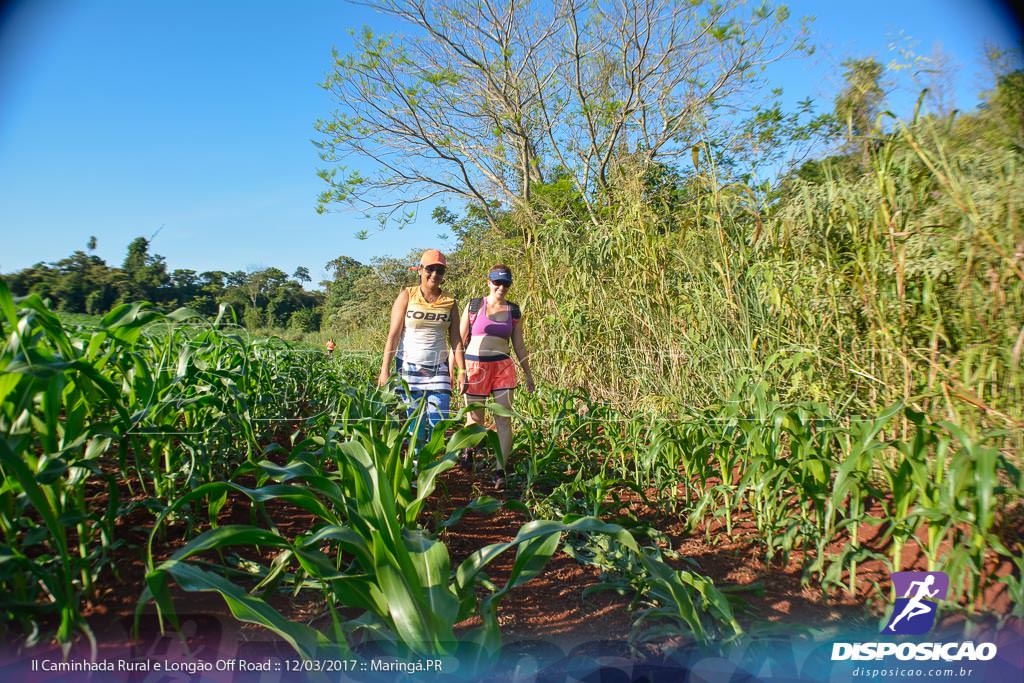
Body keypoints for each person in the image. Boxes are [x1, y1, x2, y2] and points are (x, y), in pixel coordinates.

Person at [378, 249, 464, 456]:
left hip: (439, 367)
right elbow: (393, 335)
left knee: (438, 420)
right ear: (420, 270)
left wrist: (462, 371)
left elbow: (456, 339)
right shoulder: (407, 295)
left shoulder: (450, 302)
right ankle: (415, 467)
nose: (435, 274)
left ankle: (430, 465)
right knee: (415, 422)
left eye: (440, 270)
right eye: (430, 269)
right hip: (409, 366)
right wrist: (384, 370)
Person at [459, 264, 535, 490]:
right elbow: (460, 341)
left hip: (502, 366)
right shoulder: (474, 306)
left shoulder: (513, 311)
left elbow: (519, 345)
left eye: (506, 283)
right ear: (489, 282)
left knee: (504, 419)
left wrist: (528, 374)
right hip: (476, 366)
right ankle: (469, 449)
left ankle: (500, 469)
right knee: (476, 420)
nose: (501, 287)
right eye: (497, 282)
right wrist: (458, 371)